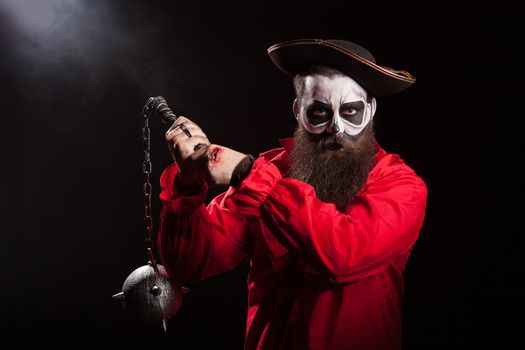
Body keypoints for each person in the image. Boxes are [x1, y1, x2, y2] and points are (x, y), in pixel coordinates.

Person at [157, 39, 428, 350]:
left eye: (351, 111)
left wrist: (249, 174)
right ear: (299, 111)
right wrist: (188, 183)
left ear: (371, 111)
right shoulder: (271, 170)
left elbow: (344, 253)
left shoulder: (401, 185)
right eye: (319, 112)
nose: (336, 127)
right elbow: (192, 263)